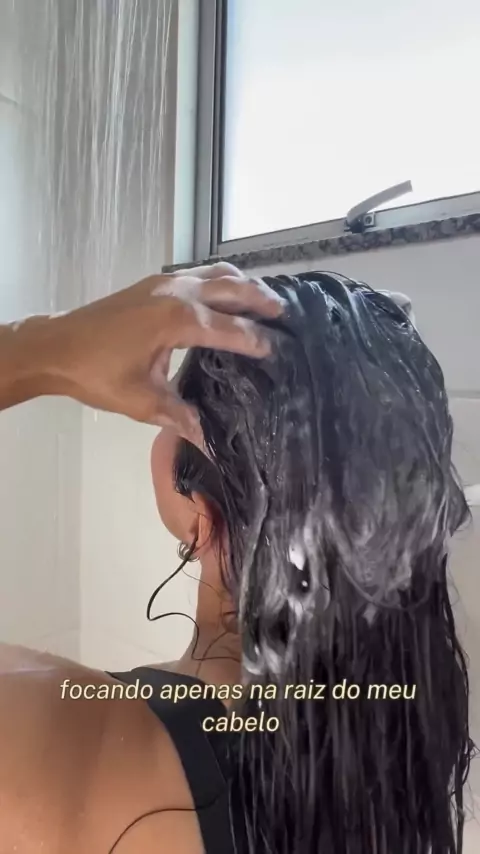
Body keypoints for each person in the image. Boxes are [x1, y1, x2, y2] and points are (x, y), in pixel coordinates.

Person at [0, 264, 472, 853]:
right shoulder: (401, 746)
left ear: (201, 517)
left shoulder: (48, 741)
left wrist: (46, 345)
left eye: (169, 404)